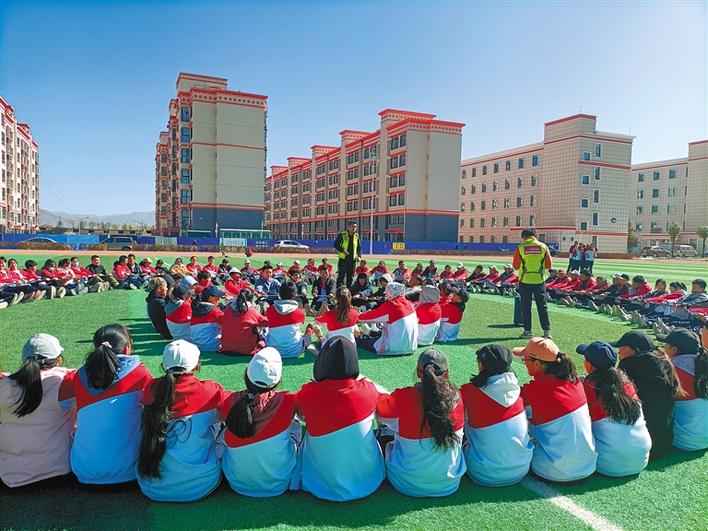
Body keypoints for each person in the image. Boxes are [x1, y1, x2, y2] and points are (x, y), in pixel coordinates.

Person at [59, 324, 152, 485]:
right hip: (130, 473)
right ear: (127, 348)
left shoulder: (78, 376)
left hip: (84, 473)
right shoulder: (139, 373)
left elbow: (64, 403)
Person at [294, 337, 385, 501]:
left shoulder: (308, 393)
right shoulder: (369, 390)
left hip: (318, 481)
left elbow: (299, 414)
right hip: (369, 479)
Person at [137, 340, 226, 502]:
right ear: (197, 365)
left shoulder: (151, 388)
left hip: (151, 486)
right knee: (220, 423)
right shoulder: (210, 390)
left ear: (164, 366)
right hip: (201, 484)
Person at [376, 349, 466, 497]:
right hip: (450, 484)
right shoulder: (458, 398)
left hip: (405, 484)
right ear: (447, 374)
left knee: (384, 432)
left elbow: (379, 410)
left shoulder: (404, 398)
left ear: (418, 373)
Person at [513, 337, 596, 482]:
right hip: (589, 466)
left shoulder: (534, 391)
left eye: (525, 359)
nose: (524, 362)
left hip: (552, 470)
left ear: (537, 363)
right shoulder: (575, 383)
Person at [220, 348, 299, 497]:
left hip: (236, 483)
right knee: (295, 424)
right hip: (280, 482)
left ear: (247, 374)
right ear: (278, 381)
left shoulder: (227, 400)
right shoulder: (288, 401)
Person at [1, 334, 75, 488]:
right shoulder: (63, 384)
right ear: (58, 360)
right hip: (57, 472)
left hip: (10, 474)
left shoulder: (4, 386)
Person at [461, 345, 533, 487]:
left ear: (481, 365)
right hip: (522, 469)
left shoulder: (468, 392)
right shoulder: (518, 391)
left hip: (482, 473)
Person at [576, 341, 651, 477]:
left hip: (608, 464)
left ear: (589, 365)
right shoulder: (627, 383)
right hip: (642, 459)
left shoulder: (590, 387)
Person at [613, 331, 680, 459]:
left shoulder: (628, 365)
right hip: (665, 442)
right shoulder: (664, 362)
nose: (619, 352)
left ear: (636, 350)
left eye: (622, 348)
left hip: (640, 447)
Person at [659, 329, 708, 451]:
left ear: (674, 350)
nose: (663, 349)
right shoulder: (702, 365)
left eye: (665, 345)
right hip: (704, 439)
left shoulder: (671, 369)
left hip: (684, 441)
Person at [357, 282, 419, 356]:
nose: (386, 294)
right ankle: (371, 332)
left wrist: (357, 316)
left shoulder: (392, 305)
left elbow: (373, 316)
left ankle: (368, 334)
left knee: (361, 340)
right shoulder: (409, 304)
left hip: (393, 348)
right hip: (411, 347)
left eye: (387, 292)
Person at [513, 228, 553, 339]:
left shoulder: (520, 247)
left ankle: (528, 331)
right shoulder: (543, 247)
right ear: (535, 235)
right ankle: (547, 331)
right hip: (539, 280)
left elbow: (515, 266)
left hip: (525, 280)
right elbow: (549, 266)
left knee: (526, 306)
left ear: (524, 237)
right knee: (542, 306)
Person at [265, 281, 312, 359]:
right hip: (295, 351)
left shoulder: (269, 310)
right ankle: (309, 331)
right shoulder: (299, 312)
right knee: (307, 335)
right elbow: (302, 323)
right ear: (295, 295)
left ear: (279, 294)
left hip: (272, 351)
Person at [220, 289, 269, 356]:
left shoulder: (228, 308)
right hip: (246, 349)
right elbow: (266, 323)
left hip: (226, 347)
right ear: (251, 299)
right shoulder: (252, 311)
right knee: (263, 331)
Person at [190, 286, 225, 352]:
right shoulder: (215, 311)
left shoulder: (196, 308)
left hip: (195, 344)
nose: (219, 299)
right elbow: (229, 322)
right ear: (210, 298)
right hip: (211, 347)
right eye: (217, 297)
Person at [334, 221, 361, 288]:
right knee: (341, 277)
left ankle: (349, 292)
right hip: (343, 259)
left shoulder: (357, 236)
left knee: (350, 277)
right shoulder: (342, 234)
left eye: (355, 227)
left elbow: (359, 247)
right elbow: (336, 245)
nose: (354, 228)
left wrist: (359, 256)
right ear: (348, 227)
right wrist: (343, 250)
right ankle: (338, 291)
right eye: (352, 226)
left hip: (352, 260)